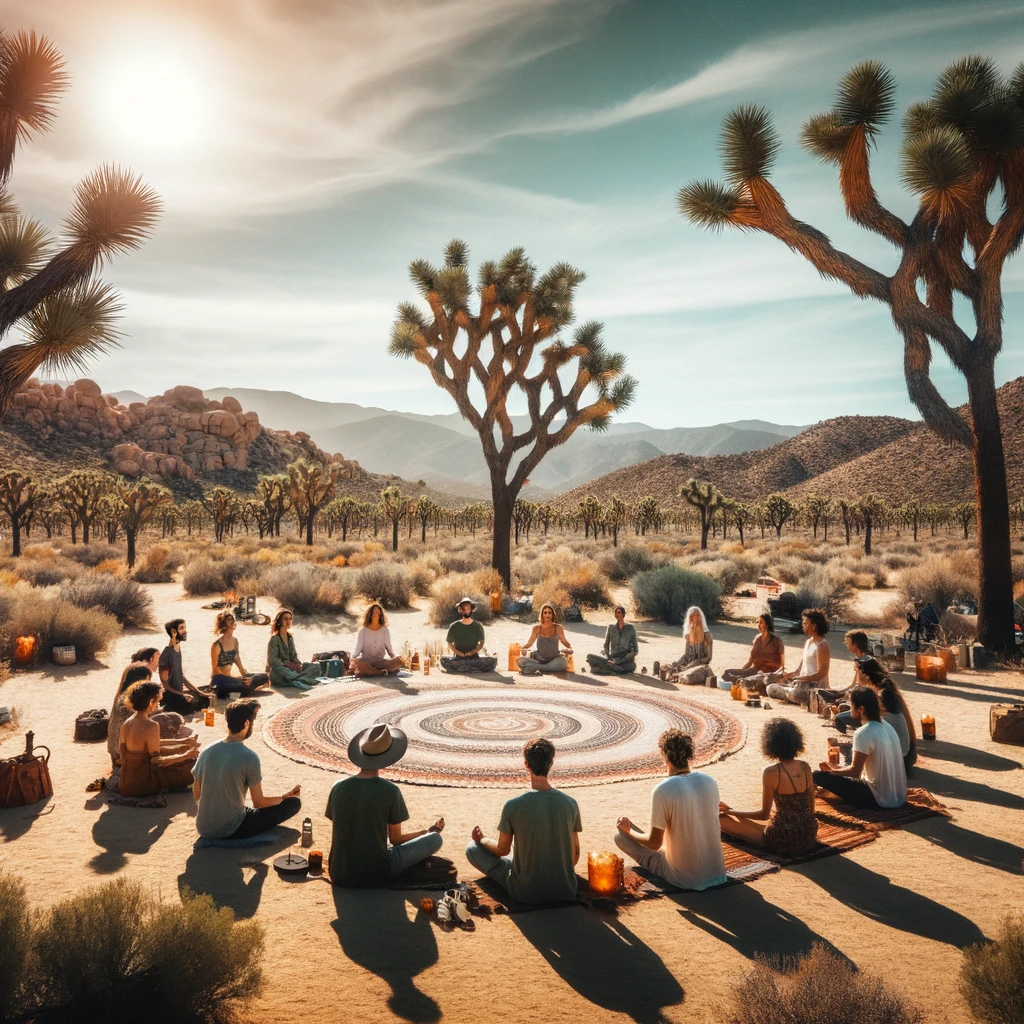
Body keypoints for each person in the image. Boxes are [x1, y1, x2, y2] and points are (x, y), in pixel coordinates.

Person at [325, 723, 445, 886]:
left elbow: (347, 826)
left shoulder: (338, 786)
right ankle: (428, 835)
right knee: (434, 840)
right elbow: (396, 839)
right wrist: (425, 832)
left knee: (380, 843)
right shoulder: (390, 790)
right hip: (375, 873)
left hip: (339, 872)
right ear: (386, 758)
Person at [466, 738, 582, 904]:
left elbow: (502, 850)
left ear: (527, 764)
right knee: (520, 848)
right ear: (550, 764)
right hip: (565, 890)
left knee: (472, 849)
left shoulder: (513, 805)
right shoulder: (570, 804)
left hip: (525, 892)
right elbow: (575, 856)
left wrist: (482, 840)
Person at [614, 729, 727, 890]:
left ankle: (626, 833)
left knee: (619, 838)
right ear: (689, 754)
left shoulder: (663, 790)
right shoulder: (710, 781)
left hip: (685, 878)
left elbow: (654, 843)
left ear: (664, 754)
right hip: (718, 874)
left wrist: (628, 832)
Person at [192, 698, 303, 840]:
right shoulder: (249, 757)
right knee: (294, 804)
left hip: (203, 827)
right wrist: (285, 798)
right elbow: (259, 803)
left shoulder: (206, 751)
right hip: (231, 828)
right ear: (247, 723)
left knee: (242, 807)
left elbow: (196, 791)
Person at [719, 718, 818, 856]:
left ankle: (731, 813)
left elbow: (763, 815)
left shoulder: (771, 772)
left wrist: (730, 813)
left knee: (720, 820)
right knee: (768, 819)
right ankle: (733, 811)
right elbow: (811, 809)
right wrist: (732, 810)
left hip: (783, 838)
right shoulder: (805, 767)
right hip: (808, 835)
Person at [813, 686, 907, 809]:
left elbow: (855, 772)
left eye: (851, 706)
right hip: (899, 795)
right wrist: (840, 769)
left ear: (861, 709)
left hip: (877, 799)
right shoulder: (887, 725)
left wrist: (833, 771)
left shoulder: (863, 733)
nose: (850, 709)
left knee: (817, 775)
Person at [108, 660, 192, 775]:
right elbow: (154, 751)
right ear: (146, 678)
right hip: (127, 756)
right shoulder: (134, 703)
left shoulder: (124, 697)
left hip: (116, 753)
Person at [117, 681, 199, 797]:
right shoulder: (151, 725)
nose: (158, 705)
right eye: (158, 701)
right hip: (143, 783)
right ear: (151, 702)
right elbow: (156, 761)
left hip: (125, 783)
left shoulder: (126, 723)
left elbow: (146, 746)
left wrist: (182, 742)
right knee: (191, 766)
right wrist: (184, 755)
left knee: (182, 751)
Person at [833, 658, 918, 769]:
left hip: (896, 760)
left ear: (866, 676)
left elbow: (860, 716)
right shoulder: (887, 691)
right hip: (906, 755)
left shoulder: (879, 694)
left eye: (856, 671)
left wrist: (839, 717)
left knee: (853, 749)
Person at [765, 608, 831, 706]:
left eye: (805, 623)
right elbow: (798, 671)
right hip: (801, 685)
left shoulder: (822, 645)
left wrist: (800, 679)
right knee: (770, 688)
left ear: (814, 626)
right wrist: (787, 676)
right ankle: (793, 694)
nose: (802, 625)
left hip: (814, 687)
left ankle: (800, 697)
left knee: (795, 694)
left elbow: (821, 674)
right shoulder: (808, 642)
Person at [210, 610, 271, 699]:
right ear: (223, 625)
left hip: (233, 679)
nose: (232, 621)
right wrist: (236, 678)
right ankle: (236, 692)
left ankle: (243, 689)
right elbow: (216, 670)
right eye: (228, 620)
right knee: (244, 687)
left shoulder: (235, 641)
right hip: (220, 680)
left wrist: (246, 676)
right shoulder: (216, 645)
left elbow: (237, 660)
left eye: (232, 619)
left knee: (264, 676)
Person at [722, 613, 785, 692]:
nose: (758, 625)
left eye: (761, 622)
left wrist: (780, 677)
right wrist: (742, 672)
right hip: (753, 671)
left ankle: (742, 681)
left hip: (767, 675)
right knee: (727, 673)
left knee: (746, 680)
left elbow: (782, 665)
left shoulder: (777, 641)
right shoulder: (757, 639)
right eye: (757, 622)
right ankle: (740, 680)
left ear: (767, 625)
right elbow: (750, 661)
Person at [159, 619, 210, 715]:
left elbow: (181, 676)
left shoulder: (177, 649)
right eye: (182, 628)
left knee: (206, 699)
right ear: (174, 632)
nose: (185, 631)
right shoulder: (166, 654)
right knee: (201, 705)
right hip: (171, 700)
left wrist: (200, 692)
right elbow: (164, 684)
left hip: (179, 695)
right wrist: (182, 695)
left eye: (185, 627)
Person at [814, 630, 870, 713]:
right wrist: (842, 691)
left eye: (847, 643)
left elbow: (863, 684)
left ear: (854, 645)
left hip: (860, 694)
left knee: (840, 700)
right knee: (821, 692)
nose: (846, 645)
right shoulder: (858, 659)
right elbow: (854, 684)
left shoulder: (866, 660)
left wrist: (847, 693)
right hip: (853, 690)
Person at [267, 609, 322, 688]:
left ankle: (299, 679)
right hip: (280, 671)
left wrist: (297, 664)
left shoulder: (290, 637)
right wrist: (285, 664)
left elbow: (294, 655)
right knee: (283, 670)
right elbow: (272, 660)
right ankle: (302, 679)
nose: (288, 621)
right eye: (285, 619)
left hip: (292, 670)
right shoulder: (274, 639)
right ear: (279, 621)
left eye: (290, 619)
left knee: (313, 667)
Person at [441, 598, 498, 673]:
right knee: (444, 661)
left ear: (472, 609)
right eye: (464, 608)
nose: (467, 610)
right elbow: (449, 643)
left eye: (468, 608)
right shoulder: (454, 626)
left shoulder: (477, 626)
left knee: (490, 662)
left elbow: (481, 643)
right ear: (461, 610)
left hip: (474, 657)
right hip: (458, 657)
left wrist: (473, 652)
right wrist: (458, 653)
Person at [665, 606, 716, 686]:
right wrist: (678, 663)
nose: (695, 618)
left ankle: (677, 675)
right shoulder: (689, 635)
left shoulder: (707, 635)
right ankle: (674, 673)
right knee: (673, 667)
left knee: (687, 672)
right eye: (692, 616)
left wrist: (705, 658)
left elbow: (708, 656)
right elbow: (686, 654)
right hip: (689, 661)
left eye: (697, 616)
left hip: (700, 663)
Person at [517, 604, 572, 675]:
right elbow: (529, 644)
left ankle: (536, 668)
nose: (547, 615)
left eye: (549, 612)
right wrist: (523, 647)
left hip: (554, 659)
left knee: (563, 662)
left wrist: (569, 649)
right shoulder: (536, 628)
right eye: (545, 612)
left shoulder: (558, 628)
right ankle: (543, 667)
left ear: (552, 615)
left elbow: (566, 643)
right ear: (542, 614)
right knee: (520, 661)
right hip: (538, 659)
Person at [351, 603, 405, 677]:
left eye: (377, 613)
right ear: (369, 614)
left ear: (380, 615)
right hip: (367, 663)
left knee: (399, 659)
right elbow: (358, 649)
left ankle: (375, 671)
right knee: (360, 665)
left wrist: (395, 659)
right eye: (373, 612)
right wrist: (353, 658)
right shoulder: (363, 631)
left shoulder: (385, 630)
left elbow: (390, 650)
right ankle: (381, 672)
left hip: (380, 663)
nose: (375, 615)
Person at [586, 606, 638, 675]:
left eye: (619, 613)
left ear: (624, 614)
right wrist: (609, 658)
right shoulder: (611, 627)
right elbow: (605, 646)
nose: (617, 614)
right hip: (612, 658)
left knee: (631, 666)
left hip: (625, 660)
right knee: (590, 657)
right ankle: (614, 669)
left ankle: (607, 669)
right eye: (616, 612)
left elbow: (635, 650)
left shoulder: (630, 628)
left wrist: (621, 661)